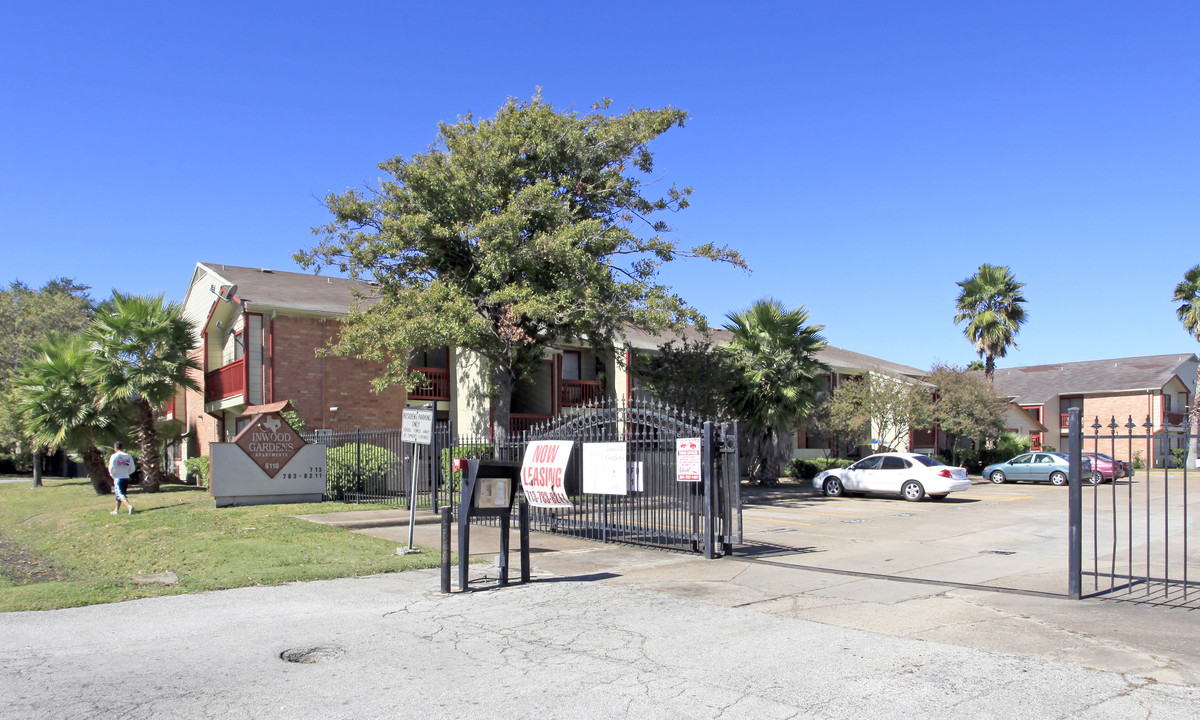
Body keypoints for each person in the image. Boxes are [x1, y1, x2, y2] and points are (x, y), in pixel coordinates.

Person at [108, 442, 136, 515]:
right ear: (122, 448)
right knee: (121, 493)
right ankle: (116, 510)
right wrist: (127, 473)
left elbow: (111, 467)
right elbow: (132, 468)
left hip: (118, 477)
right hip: (126, 477)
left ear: (115, 448)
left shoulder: (114, 456)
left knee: (120, 494)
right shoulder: (128, 456)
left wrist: (113, 475)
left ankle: (129, 507)